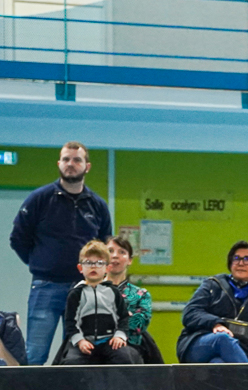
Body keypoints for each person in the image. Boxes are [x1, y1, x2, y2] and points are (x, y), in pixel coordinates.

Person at [9, 142, 112, 365]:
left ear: (87, 166)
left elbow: (104, 247)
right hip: (46, 286)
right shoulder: (39, 199)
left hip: (84, 290)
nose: (70, 165)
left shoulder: (98, 206)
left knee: (78, 354)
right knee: (36, 354)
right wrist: (39, 262)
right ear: (59, 163)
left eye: (76, 160)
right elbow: (18, 238)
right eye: (66, 159)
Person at [60, 241, 141, 365]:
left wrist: (119, 336)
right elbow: (70, 322)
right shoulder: (75, 294)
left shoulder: (113, 292)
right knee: (71, 362)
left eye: (99, 263)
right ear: (80, 268)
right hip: (84, 340)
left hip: (109, 341)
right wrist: (80, 341)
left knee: (125, 358)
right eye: (88, 263)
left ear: (107, 268)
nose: (94, 267)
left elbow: (124, 318)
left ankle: (120, 385)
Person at [106, 236, 163, 364]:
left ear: (130, 260)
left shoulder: (140, 294)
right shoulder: (88, 289)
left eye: (122, 252)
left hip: (128, 344)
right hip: (93, 344)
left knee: (124, 357)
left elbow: (139, 323)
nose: (115, 256)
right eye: (110, 251)